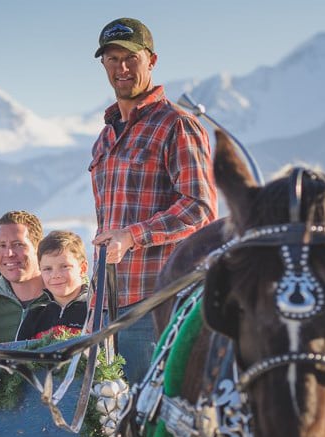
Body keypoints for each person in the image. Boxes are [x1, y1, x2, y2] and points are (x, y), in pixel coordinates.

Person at [89, 17, 218, 384]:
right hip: (108, 304)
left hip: (158, 302)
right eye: (112, 58)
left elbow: (199, 206)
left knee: (152, 418)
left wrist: (132, 236)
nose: (122, 67)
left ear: (151, 60)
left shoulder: (177, 124)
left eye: (130, 57)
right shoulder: (104, 138)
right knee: (114, 423)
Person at [0, 210, 51, 342]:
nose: (9, 253)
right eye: (2, 245)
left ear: (39, 248)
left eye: (18, 244)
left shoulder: (61, 301)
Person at [17, 230, 90, 341]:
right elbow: (18, 355)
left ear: (83, 268)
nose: (55, 275)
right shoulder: (34, 317)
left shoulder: (96, 312)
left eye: (64, 266)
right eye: (47, 269)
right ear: (40, 270)